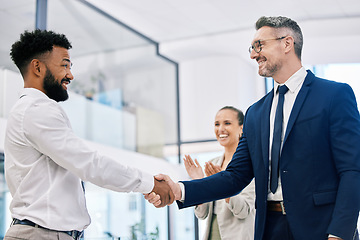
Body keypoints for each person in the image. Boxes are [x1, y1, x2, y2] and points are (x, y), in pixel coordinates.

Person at [145, 16, 360, 240]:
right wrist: (180, 189)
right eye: (252, 48)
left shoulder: (334, 95)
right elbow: (235, 176)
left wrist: (340, 233)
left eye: (259, 45)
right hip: (270, 228)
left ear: (287, 43)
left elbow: (352, 171)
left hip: (321, 228)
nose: (253, 54)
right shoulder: (255, 113)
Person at [4, 29, 174, 240]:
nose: (70, 75)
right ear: (37, 67)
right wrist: (150, 183)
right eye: (64, 65)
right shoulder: (37, 110)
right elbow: (90, 164)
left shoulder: (31, 110)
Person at [183, 106, 255, 240]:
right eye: (217, 124)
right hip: (212, 234)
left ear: (241, 128)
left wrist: (224, 187)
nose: (220, 129)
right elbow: (202, 214)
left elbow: (243, 210)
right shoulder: (213, 163)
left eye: (227, 123)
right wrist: (198, 181)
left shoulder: (250, 165)